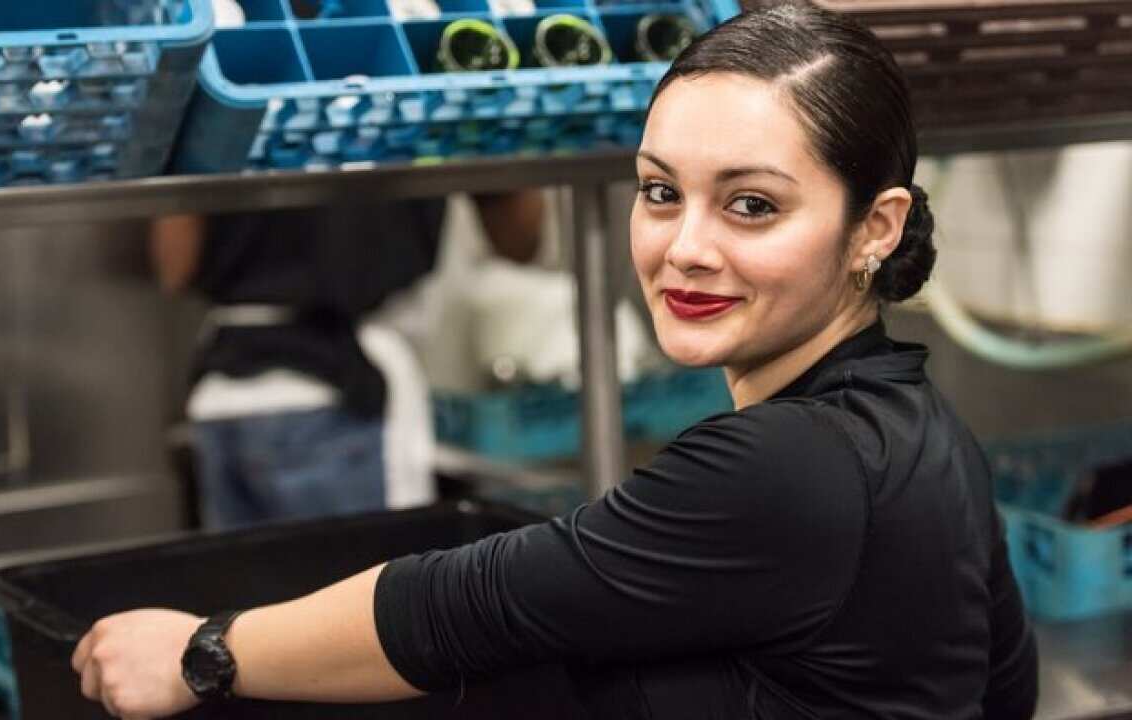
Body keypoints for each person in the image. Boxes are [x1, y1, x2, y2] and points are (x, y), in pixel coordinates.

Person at [74, 4, 1039, 717]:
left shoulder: (790, 463)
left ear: (876, 226)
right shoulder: (924, 429)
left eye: (752, 204)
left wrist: (203, 653)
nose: (685, 247)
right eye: (662, 193)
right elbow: (1005, 687)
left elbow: (464, 606)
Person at [151, 192, 542, 529]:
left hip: (223, 402)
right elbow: (521, 237)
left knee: (249, 607)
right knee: (367, 603)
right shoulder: (403, 104)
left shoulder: (219, 113)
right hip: (338, 400)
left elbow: (175, 266)